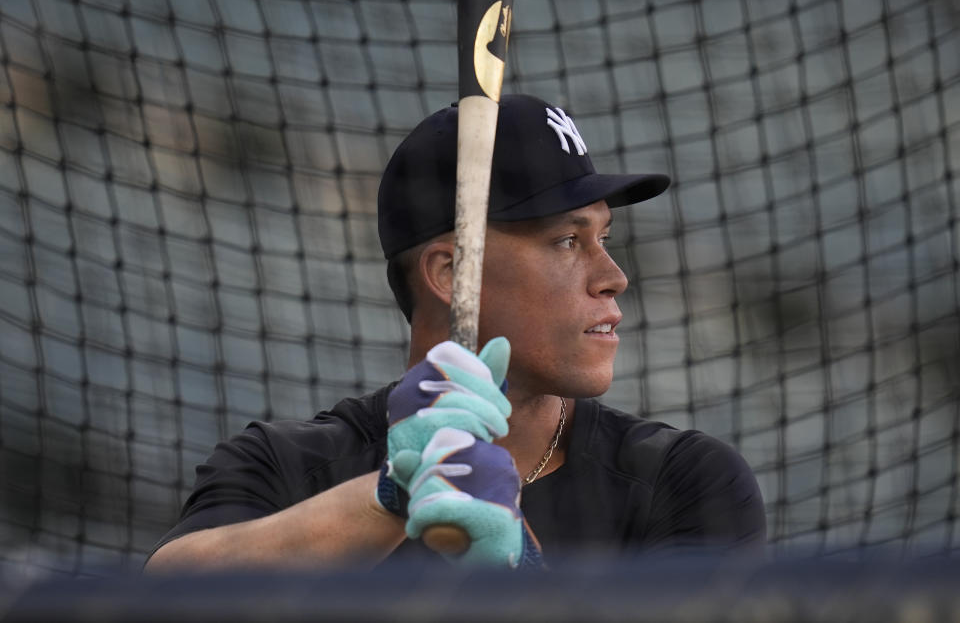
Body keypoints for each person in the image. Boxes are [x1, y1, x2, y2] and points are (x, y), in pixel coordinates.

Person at [145, 94, 766, 572]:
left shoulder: (686, 481)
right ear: (451, 271)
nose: (613, 277)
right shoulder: (287, 465)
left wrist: (512, 562)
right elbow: (163, 600)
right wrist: (395, 494)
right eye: (569, 240)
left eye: (605, 238)